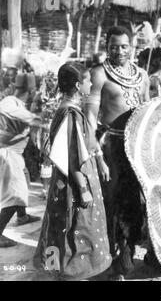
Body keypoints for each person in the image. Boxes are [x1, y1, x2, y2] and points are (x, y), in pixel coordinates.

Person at [33, 62, 111, 280]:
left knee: (64, 228)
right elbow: (73, 158)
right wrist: (83, 188)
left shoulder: (64, 110)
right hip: (74, 182)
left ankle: (61, 269)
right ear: (78, 85)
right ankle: (73, 273)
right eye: (88, 81)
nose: (91, 85)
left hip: (66, 180)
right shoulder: (71, 115)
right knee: (77, 228)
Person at [85, 26, 151, 280]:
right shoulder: (99, 74)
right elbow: (90, 116)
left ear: (131, 47)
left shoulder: (143, 75)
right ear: (107, 45)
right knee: (111, 202)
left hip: (137, 147)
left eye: (124, 46)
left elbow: (148, 111)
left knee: (136, 202)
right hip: (111, 148)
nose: (119, 51)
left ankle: (128, 254)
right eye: (114, 46)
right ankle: (112, 261)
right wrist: (95, 153)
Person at [0, 73, 43, 248]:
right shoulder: (10, 103)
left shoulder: (16, 102)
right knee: (16, 195)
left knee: (23, 181)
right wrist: (34, 119)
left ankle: (22, 216)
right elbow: (7, 111)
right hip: (8, 154)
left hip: (15, 154)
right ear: (31, 90)